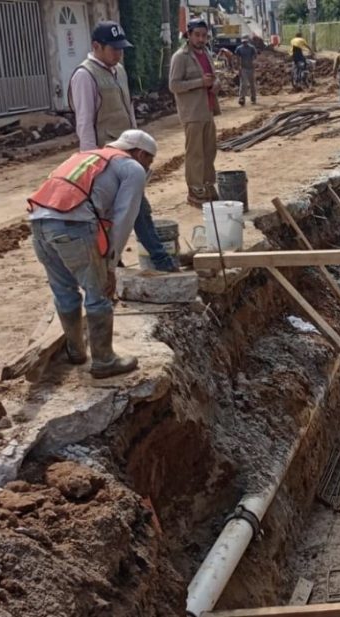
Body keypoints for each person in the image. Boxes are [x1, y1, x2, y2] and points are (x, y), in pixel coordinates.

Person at [27, 130, 157, 379]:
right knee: (98, 294)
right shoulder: (132, 168)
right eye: (149, 161)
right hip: (74, 226)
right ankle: (104, 360)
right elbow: (124, 217)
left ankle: (75, 352)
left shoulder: (88, 156)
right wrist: (110, 264)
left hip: (39, 223)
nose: (147, 168)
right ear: (141, 153)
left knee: (64, 290)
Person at [68, 21, 176, 272]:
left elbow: (128, 112)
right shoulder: (85, 76)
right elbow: (84, 123)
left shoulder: (119, 71)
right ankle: (153, 259)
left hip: (127, 155)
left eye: (121, 49)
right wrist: (89, 164)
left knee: (134, 208)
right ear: (96, 46)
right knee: (129, 210)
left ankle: (117, 260)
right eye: (114, 49)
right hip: (105, 160)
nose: (119, 54)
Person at [169, 19, 220, 207]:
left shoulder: (206, 53)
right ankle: (195, 189)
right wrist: (200, 83)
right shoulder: (180, 57)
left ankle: (207, 184)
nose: (201, 39)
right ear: (188, 35)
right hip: (192, 113)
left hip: (207, 109)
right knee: (195, 153)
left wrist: (216, 85)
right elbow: (174, 85)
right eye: (197, 35)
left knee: (209, 151)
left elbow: (213, 77)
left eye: (204, 36)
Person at [234, 35, 258, 106]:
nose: (245, 43)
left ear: (248, 41)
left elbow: (255, 56)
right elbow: (238, 58)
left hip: (251, 68)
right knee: (243, 84)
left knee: (252, 84)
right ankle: (242, 98)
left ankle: (253, 98)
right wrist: (238, 67)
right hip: (243, 68)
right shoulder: (239, 49)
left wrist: (253, 62)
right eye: (243, 42)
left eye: (246, 41)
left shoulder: (252, 48)